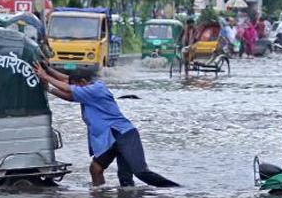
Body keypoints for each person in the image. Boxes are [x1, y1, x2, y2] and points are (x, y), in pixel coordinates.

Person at [33, 63, 179, 188]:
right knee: (96, 169)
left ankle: (175, 189)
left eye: (75, 84)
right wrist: (48, 71)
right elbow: (68, 86)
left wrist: (45, 77)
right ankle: (101, 197)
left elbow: (68, 89)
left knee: (139, 173)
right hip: (109, 140)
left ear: (83, 82)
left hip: (124, 136)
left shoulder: (96, 89)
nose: (71, 86)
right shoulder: (87, 90)